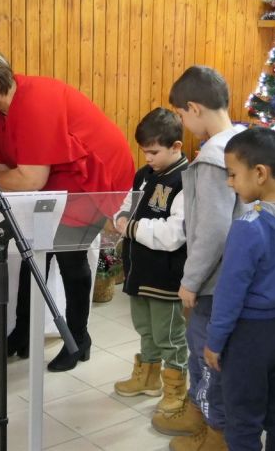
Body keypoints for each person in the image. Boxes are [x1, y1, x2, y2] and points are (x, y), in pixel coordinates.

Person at [0, 47, 134, 372]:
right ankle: (23, 332)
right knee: (32, 252)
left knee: (69, 255)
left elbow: (29, 179)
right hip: (58, 174)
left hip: (93, 176)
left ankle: (78, 340)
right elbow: (1, 169)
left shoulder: (34, 102)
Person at [203, 127, 275, 451]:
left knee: (243, 419)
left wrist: (215, 341)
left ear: (259, 173)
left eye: (232, 174)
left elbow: (229, 292)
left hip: (250, 334)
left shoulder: (248, 226)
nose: (230, 183)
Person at [154, 66, 249, 451]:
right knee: (204, 352)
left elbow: (212, 230)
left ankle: (216, 433)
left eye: (181, 114)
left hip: (213, 280)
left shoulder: (213, 157)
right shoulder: (240, 141)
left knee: (208, 353)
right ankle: (198, 410)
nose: (182, 122)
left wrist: (190, 280)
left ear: (194, 108)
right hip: (230, 275)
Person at [111, 108, 189, 416]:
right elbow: (129, 204)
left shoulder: (185, 180)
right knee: (145, 328)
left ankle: (176, 387)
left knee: (168, 335)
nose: (148, 158)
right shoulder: (144, 174)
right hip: (139, 270)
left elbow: (175, 234)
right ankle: (148, 377)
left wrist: (130, 227)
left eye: (154, 152)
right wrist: (120, 216)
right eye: (144, 151)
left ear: (176, 146)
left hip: (165, 276)